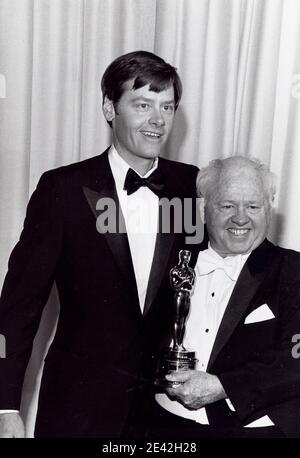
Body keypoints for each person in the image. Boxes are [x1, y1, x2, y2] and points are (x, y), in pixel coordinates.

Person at [0, 50, 199, 437]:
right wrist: (5, 406)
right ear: (110, 108)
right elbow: (18, 307)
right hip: (78, 408)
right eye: (142, 105)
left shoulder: (189, 187)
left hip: (166, 410)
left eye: (167, 107)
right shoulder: (63, 189)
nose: (157, 120)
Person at [146, 156, 300, 438]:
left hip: (251, 431)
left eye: (253, 206)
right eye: (227, 205)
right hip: (164, 425)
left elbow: (295, 359)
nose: (240, 217)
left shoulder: (293, 271)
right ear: (204, 211)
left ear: (268, 210)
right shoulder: (174, 263)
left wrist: (223, 386)